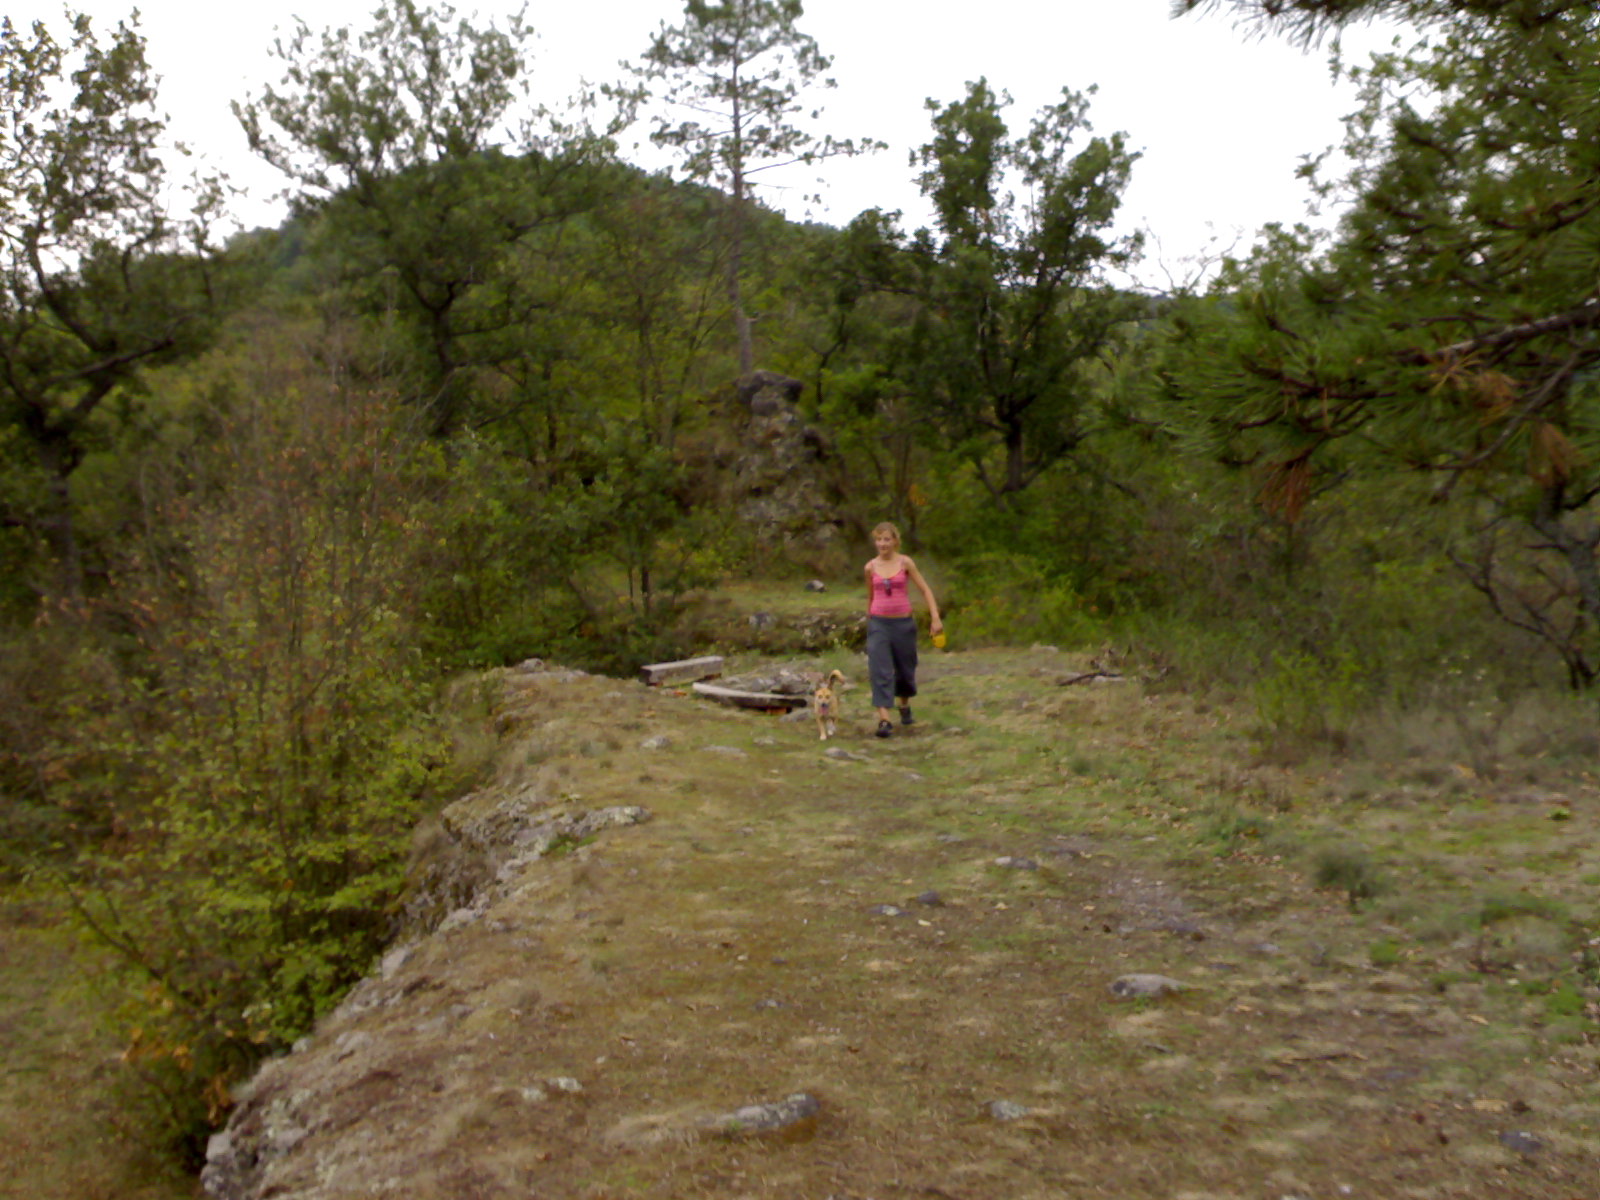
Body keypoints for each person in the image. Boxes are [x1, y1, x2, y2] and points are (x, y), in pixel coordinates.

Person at [863, 522, 942, 738]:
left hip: (903, 624)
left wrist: (935, 618)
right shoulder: (870, 567)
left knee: (905, 670)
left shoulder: (905, 562)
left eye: (887, 539)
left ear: (895, 541)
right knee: (879, 669)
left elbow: (925, 590)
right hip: (879, 623)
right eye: (879, 539)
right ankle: (884, 720)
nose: (882, 544)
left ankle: (904, 705)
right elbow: (871, 597)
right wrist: (870, 621)